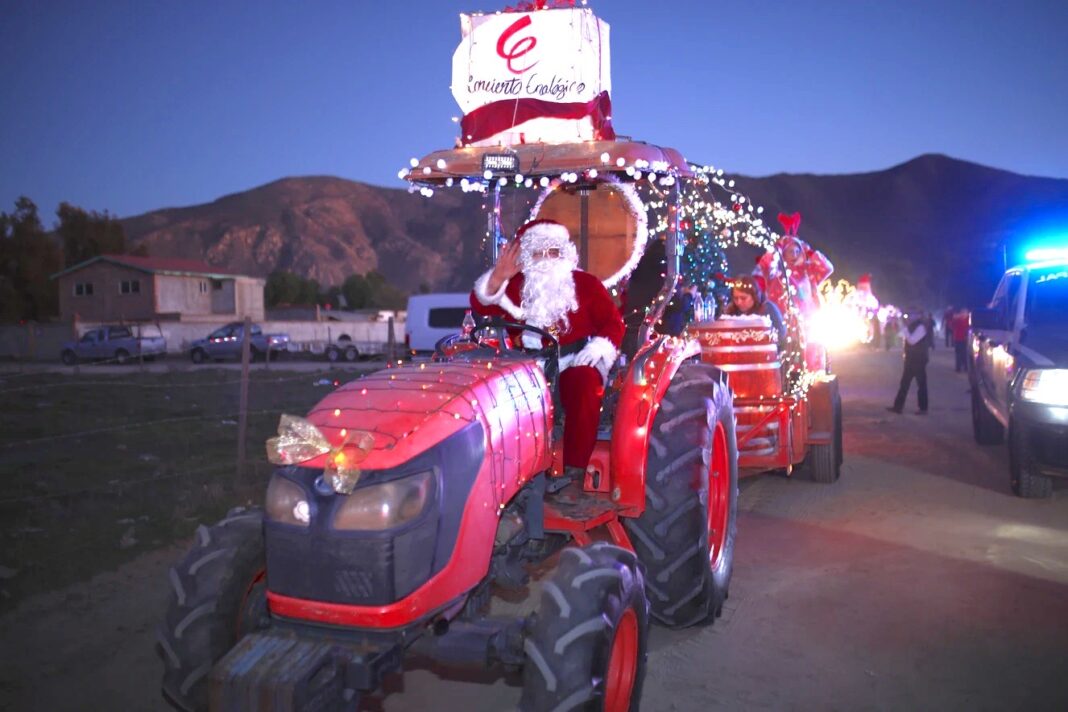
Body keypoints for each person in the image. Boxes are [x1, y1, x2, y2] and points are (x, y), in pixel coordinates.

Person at [471, 219, 625, 484]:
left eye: (553, 252)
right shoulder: (515, 286)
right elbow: (482, 307)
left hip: (574, 360)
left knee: (584, 382)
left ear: (564, 253)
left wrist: (598, 347)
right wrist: (498, 277)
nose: (546, 260)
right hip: (526, 366)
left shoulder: (585, 285)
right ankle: (505, 476)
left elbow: (613, 323)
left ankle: (575, 473)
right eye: (538, 253)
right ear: (526, 257)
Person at [722, 274, 787, 350]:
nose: (739, 302)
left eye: (743, 298)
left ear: (755, 296)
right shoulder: (731, 310)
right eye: (736, 298)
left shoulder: (768, 309)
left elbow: (781, 336)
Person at [887, 308, 930, 414]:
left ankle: (923, 408)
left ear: (919, 316)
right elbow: (899, 335)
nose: (910, 317)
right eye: (910, 315)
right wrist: (897, 325)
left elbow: (912, 341)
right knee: (904, 383)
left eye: (913, 315)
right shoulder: (912, 326)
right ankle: (898, 407)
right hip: (911, 359)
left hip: (918, 359)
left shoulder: (921, 327)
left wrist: (904, 329)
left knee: (921, 384)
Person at [950, 307, 970, 373]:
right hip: (959, 338)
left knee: (963, 353)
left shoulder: (967, 320)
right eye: (963, 313)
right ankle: (960, 367)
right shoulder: (958, 320)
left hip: (963, 338)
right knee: (960, 353)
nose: (964, 314)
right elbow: (952, 326)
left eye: (965, 313)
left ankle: (963, 367)